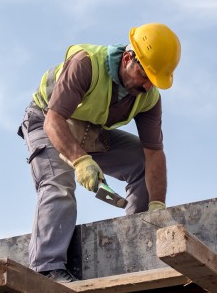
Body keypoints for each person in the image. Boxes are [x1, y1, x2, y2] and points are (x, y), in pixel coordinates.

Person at [17, 23, 181, 283]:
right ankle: (47, 269)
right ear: (128, 58)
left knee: (139, 161)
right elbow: (54, 120)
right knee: (58, 183)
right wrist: (80, 160)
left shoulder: (148, 98)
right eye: (145, 75)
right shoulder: (86, 64)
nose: (148, 85)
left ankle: (140, 240)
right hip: (46, 120)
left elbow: (153, 154)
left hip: (88, 129)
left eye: (154, 80)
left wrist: (157, 206)